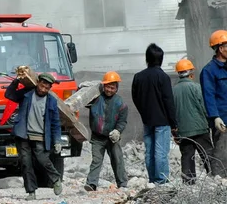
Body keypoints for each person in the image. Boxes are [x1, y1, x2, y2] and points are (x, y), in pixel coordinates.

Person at [5, 69, 63, 201]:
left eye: (47, 88)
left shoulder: (51, 101)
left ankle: (55, 179)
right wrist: (16, 81)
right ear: (37, 83)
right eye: (42, 86)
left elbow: (55, 123)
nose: (43, 89)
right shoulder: (27, 94)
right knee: (26, 163)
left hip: (40, 136)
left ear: (50, 88)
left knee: (43, 160)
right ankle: (31, 192)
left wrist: (57, 141)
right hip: (23, 135)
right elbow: (9, 94)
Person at [131, 43, 178, 185]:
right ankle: (161, 181)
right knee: (161, 152)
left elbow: (135, 98)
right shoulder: (163, 77)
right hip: (162, 122)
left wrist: (144, 113)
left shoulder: (138, 77)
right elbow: (169, 102)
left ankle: (152, 180)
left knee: (149, 152)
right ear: (161, 59)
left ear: (147, 59)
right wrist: (174, 123)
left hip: (147, 120)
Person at [84, 71, 129, 191]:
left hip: (112, 138)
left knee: (117, 160)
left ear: (116, 88)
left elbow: (122, 121)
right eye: (107, 87)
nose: (109, 89)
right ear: (103, 86)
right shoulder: (96, 98)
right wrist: (84, 88)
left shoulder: (121, 103)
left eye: (112, 87)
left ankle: (122, 184)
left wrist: (118, 132)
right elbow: (83, 98)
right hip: (97, 137)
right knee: (96, 161)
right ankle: (91, 184)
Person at [172, 58, 213, 184]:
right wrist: (209, 122)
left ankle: (189, 184)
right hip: (200, 128)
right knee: (208, 155)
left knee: (187, 157)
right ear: (190, 73)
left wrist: (175, 130)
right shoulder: (196, 87)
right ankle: (215, 179)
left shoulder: (173, 91)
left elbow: (172, 112)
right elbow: (204, 107)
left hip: (183, 131)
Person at [200, 30, 227, 177]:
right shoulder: (208, 71)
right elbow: (208, 96)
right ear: (220, 48)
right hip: (222, 120)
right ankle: (221, 182)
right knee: (222, 152)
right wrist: (215, 117)